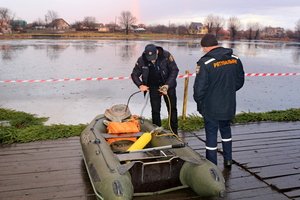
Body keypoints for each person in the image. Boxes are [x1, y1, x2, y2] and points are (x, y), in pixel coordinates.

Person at [193, 34, 245, 168]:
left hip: (211, 106)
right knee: (226, 131)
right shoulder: (235, 59)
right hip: (228, 104)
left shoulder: (205, 63)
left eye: (203, 48)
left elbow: (199, 89)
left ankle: (212, 166)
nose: (203, 50)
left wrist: (199, 103)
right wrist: (227, 91)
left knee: (211, 134)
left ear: (205, 47)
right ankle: (228, 160)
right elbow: (240, 81)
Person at [131, 44, 179, 134]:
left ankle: (174, 131)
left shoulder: (166, 56)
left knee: (172, 109)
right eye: (150, 58)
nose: (152, 60)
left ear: (157, 52)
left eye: (153, 57)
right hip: (153, 87)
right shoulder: (141, 60)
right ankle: (158, 131)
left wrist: (167, 85)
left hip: (168, 86)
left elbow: (174, 70)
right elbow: (134, 74)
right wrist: (140, 85)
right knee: (155, 110)